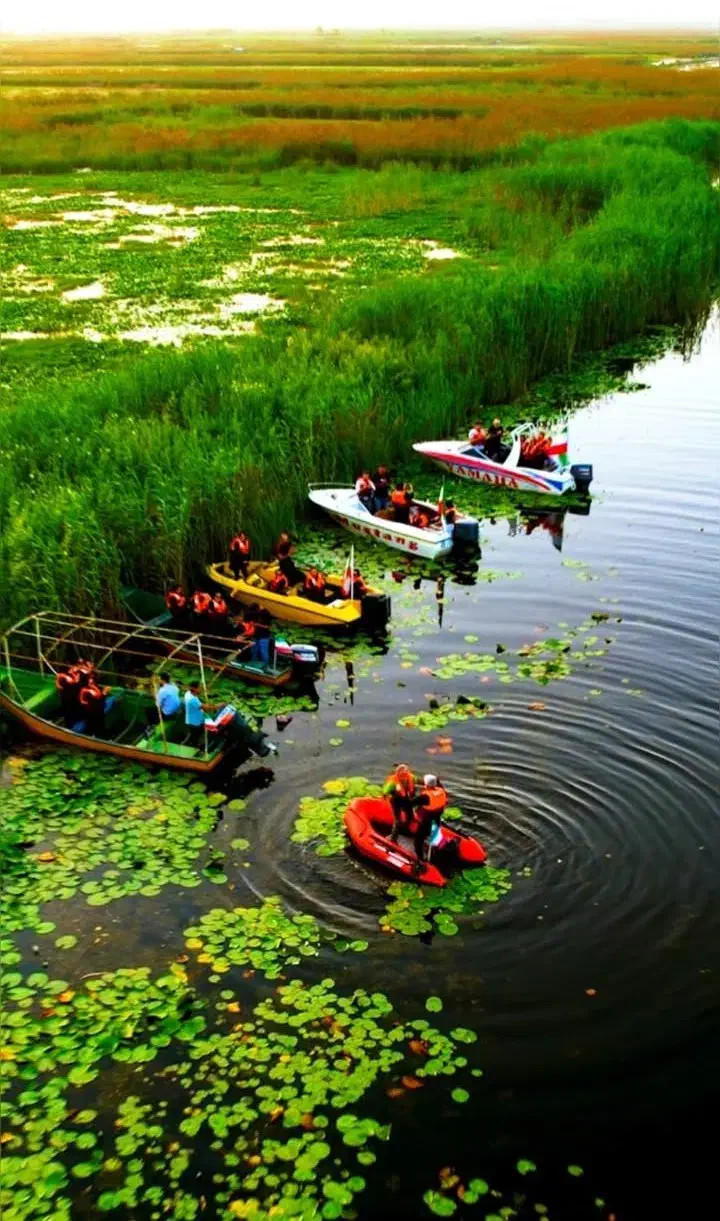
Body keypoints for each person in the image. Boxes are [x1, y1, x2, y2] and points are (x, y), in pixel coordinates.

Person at [412, 773, 448, 872]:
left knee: (418, 840)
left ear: (426, 785)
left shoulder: (425, 797)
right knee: (434, 835)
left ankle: (420, 859)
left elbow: (411, 803)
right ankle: (436, 852)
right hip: (436, 819)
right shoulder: (441, 791)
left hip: (426, 822)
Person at [384, 765, 417, 842]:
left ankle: (397, 835)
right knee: (404, 818)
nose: (404, 778)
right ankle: (399, 833)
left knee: (403, 819)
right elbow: (386, 791)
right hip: (402, 800)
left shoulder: (393, 782)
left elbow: (385, 791)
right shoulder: (411, 777)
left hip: (402, 800)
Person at [183, 681, 221, 748]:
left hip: (192, 717)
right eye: (200, 687)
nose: (201, 689)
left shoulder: (188, 693)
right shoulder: (193, 700)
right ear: (195, 689)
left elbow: (198, 699)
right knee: (197, 734)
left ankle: (191, 740)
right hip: (195, 722)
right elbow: (207, 708)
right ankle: (194, 745)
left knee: (194, 733)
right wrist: (220, 705)